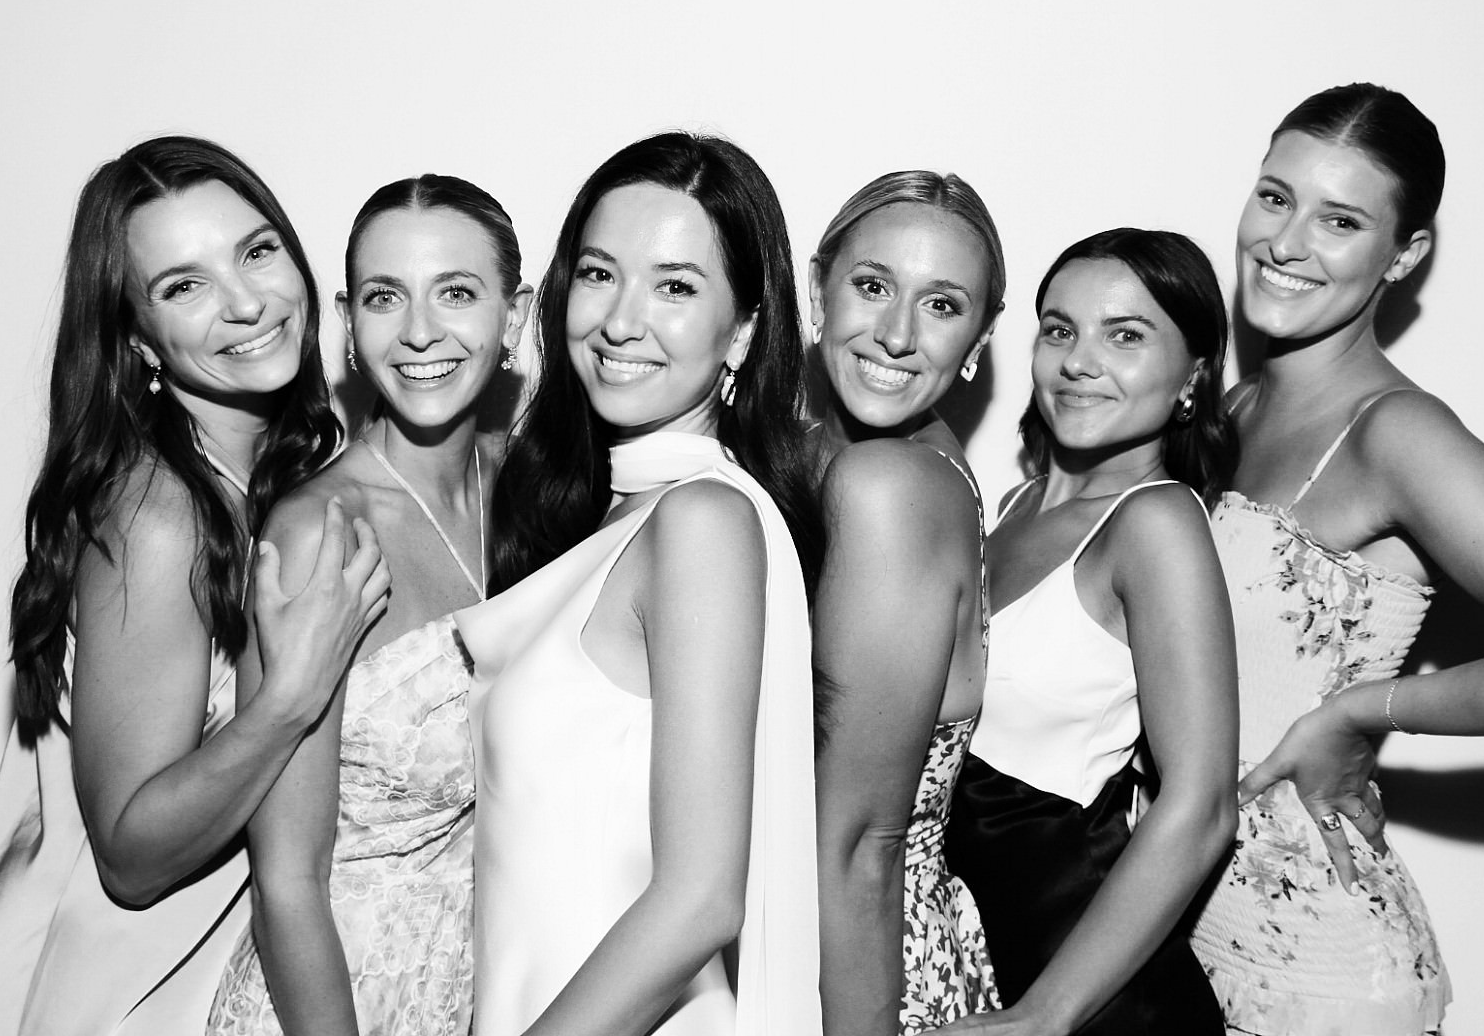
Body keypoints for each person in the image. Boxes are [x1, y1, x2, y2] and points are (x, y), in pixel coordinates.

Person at [1187, 83, 1484, 1036]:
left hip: (1319, 976)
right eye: (1275, 196)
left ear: (1402, 256)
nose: (1287, 243)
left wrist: (1362, 715)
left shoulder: (1398, 435)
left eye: (1340, 220)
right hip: (1183, 941)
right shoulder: (1234, 411)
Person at [0, 137, 389, 1036]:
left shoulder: (280, 482)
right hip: (110, 999)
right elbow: (131, 857)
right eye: (185, 285)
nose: (248, 302)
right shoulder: (158, 513)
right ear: (137, 336)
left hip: (205, 984)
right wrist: (290, 695)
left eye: (257, 251)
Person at [456, 133, 823, 1036]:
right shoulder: (615, 510)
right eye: (597, 273)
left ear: (743, 330)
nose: (622, 321)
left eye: (675, 286)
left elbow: (700, 898)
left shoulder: (701, 519)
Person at [206, 175, 532, 1034]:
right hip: (329, 1002)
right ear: (350, 326)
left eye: (456, 293)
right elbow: (286, 880)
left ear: (517, 315)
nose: (420, 332)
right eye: (386, 298)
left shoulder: (533, 494)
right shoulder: (323, 531)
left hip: (476, 990)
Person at [943, 229, 1239, 1036]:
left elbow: (1205, 803)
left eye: (1127, 336)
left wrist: (1046, 1015)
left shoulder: (1156, 523)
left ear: (1194, 376)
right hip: (982, 959)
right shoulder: (1005, 511)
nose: (1078, 361)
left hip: (1091, 993)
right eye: (1060, 329)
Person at [806, 171, 1005, 1036]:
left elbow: (857, 848)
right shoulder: (894, 458)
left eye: (941, 305)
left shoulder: (888, 486)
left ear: (979, 340)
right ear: (820, 289)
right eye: (873, 285)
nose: (894, 335)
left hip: (858, 977)